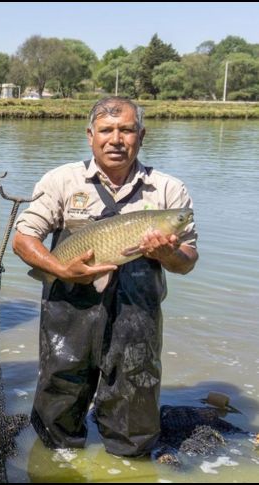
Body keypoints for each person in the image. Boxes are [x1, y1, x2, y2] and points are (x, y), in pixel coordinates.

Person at [12, 96, 199, 457]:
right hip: (69, 311)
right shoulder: (62, 180)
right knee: (58, 407)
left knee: (135, 410)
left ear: (141, 136)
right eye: (106, 130)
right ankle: (55, 464)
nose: (116, 139)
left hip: (137, 316)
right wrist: (60, 269)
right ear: (90, 135)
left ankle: (127, 469)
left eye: (126, 130)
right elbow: (23, 239)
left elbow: (188, 260)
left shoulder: (168, 189)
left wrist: (167, 254)